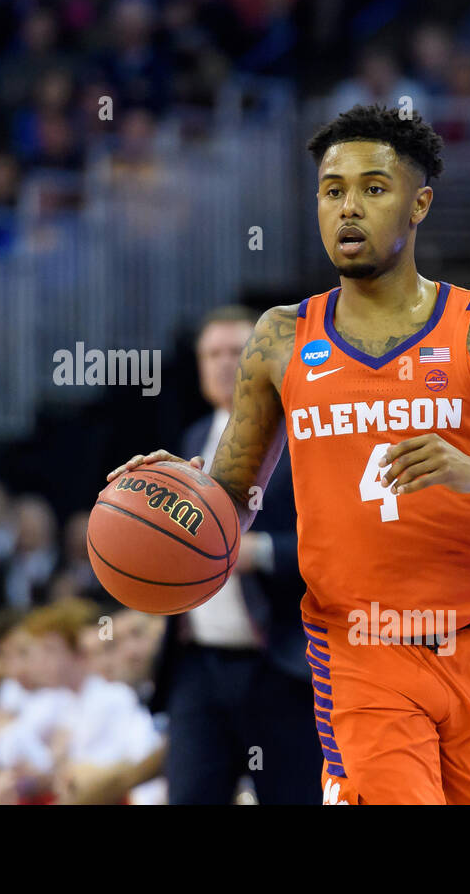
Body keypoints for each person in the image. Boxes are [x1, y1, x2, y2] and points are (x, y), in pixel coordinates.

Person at [109, 104, 470, 805]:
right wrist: (169, 491)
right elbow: (229, 501)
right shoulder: (281, 338)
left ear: (419, 203)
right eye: (332, 189)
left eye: (374, 188)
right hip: (359, 649)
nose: (349, 206)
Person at [151, 304, 321, 804]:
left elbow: (340, 546)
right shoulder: (189, 440)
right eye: (213, 353)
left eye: (237, 351)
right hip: (197, 664)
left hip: (279, 660)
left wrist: (261, 551)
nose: (225, 363)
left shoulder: (304, 436)